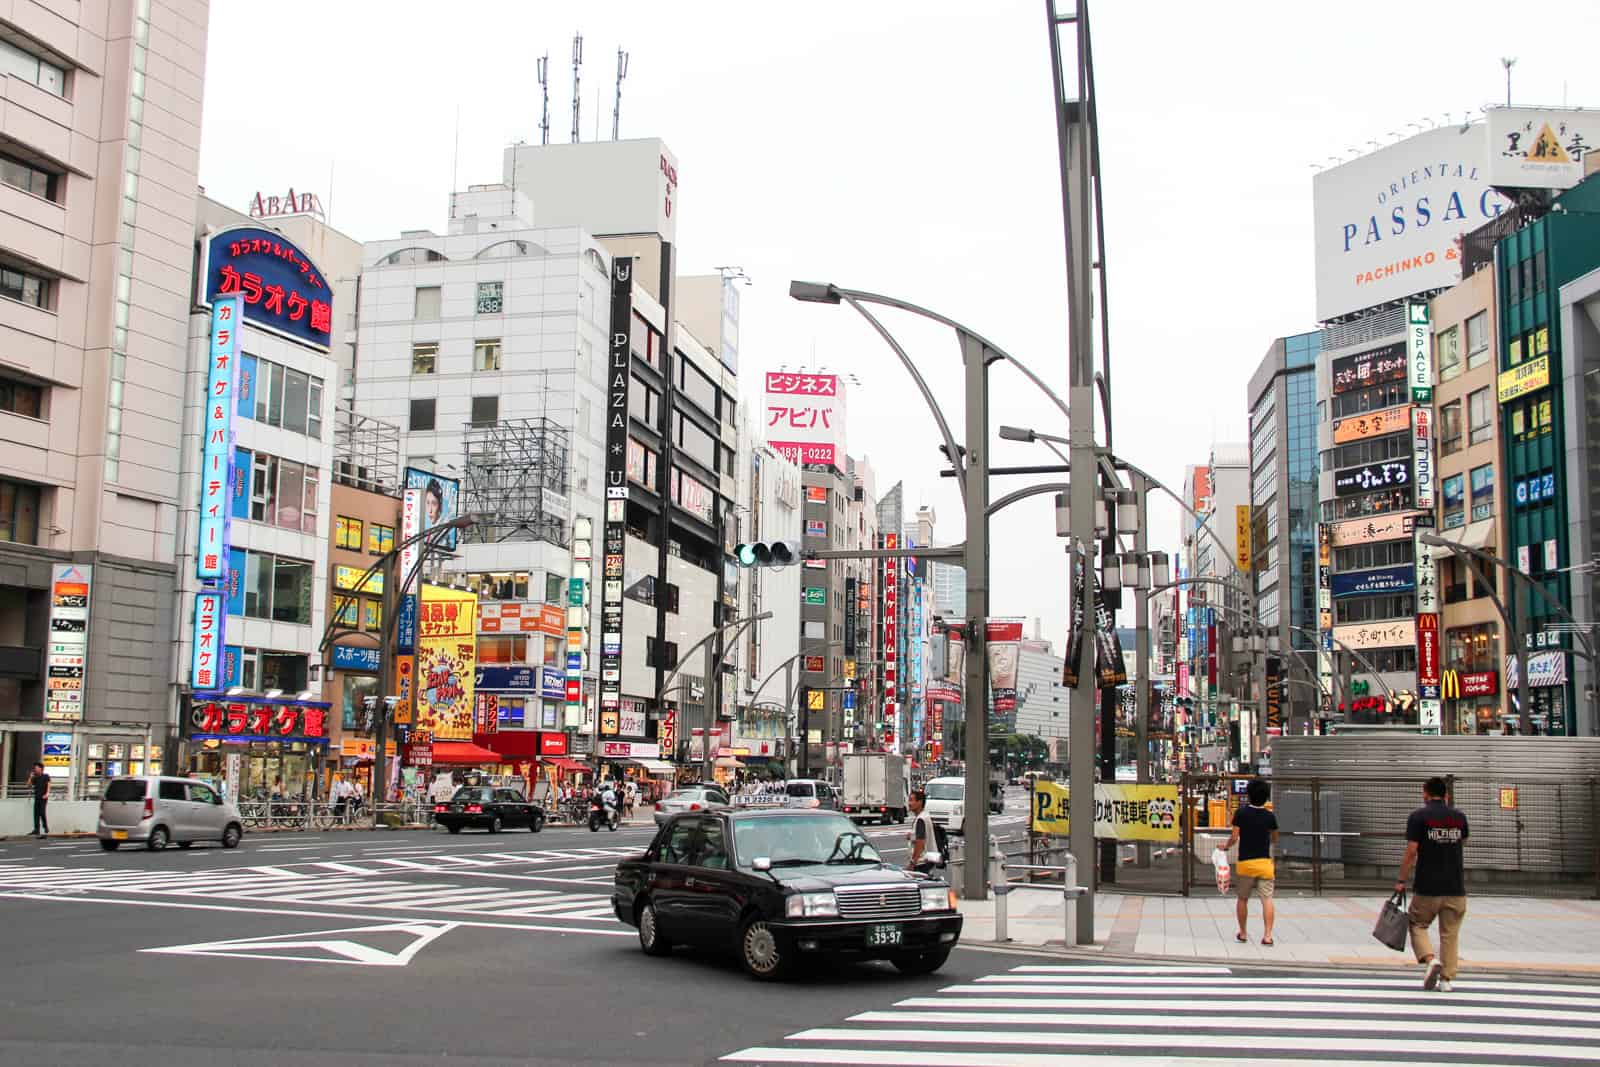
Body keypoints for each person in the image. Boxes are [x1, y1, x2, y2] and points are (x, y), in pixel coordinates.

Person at [1397, 775, 1470, 992]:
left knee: (1416, 924)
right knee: (1450, 933)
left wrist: (1401, 880)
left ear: (1425, 793)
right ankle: (1446, 979)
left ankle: (1431, 960)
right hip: (1456, 886)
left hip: (1428, 886)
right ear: (1447, 795)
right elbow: (1463, 840)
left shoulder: (1418, 817)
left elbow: (1411, 851)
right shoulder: (1459, 817)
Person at [1225, 778, 1279, 945]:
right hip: (1264, 863)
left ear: (1248, 795)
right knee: (1267, 899)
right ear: (1266, 797)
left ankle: (1242, 932)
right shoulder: (1270, 816)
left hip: (1246, 863)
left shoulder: (1241, 813)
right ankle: (1268, 936)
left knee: (1242, 899)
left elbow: (1234, 838)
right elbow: (1275, 838)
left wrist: (1225, 846)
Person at [906, 789, 941, 874]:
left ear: (920, 802)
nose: (909, 804)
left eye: (911, 800)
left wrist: (912, 863)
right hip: (927, 861)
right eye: (909, 800)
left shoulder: (921, 819)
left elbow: (920, 843)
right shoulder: (925, 815)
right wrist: (911, 836)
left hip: (921, 863)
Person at [27, 762, 49, 838]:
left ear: (41, 768)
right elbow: (28, 785)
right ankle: (36, 829)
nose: (35, 769)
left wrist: (47, 793)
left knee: (42, 812)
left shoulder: (46, 776)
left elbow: (49, 785)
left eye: (36, 768)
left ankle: (45, 826)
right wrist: (30, 777)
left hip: (43, 798)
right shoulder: (35, 778)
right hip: (37, 797)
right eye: (34, 768)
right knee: (36, 814)